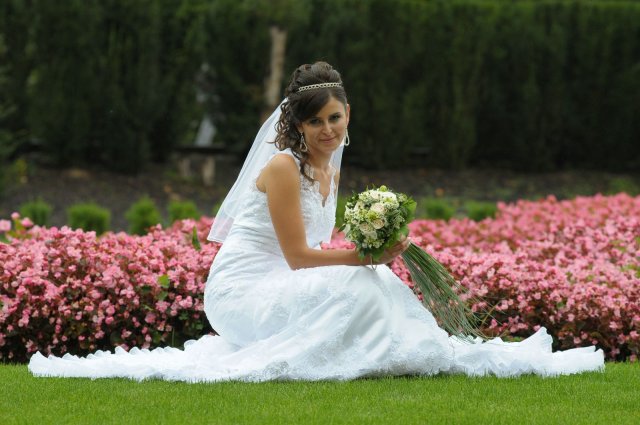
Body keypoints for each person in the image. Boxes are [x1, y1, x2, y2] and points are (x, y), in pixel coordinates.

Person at [29, 62, 604, 381]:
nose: (328, 130)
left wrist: (378, 247)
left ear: (348, 114)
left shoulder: (330, 166)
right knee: (364, 277)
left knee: (374, 281)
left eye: (335, 118)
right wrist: (366, 255)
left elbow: (318, 253)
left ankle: (416, 354)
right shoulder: (284, 167)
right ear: (297, 125)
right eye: (315, 122)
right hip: (242, 289)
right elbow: (300, 256)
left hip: (287, 278)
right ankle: (383, 354)